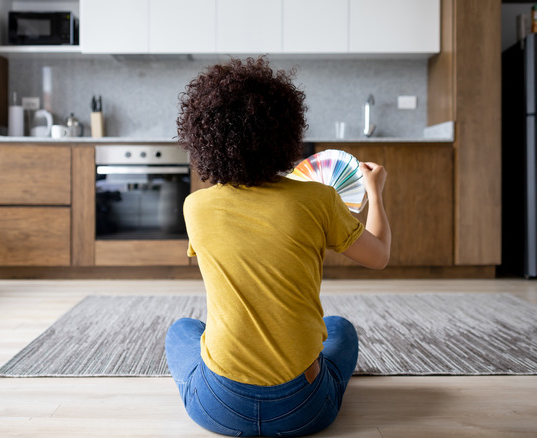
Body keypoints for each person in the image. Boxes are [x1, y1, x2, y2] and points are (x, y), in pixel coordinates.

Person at [166, 56, 391, 437]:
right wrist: (376, 192)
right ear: (287, 132)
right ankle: (325, 389)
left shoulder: (196, 206)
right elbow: (380, 257)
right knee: (340, 329)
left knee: (182, 329)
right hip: (302, 411)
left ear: (203, 138)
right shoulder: (318, 199)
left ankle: (201, 388)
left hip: (219, 409)